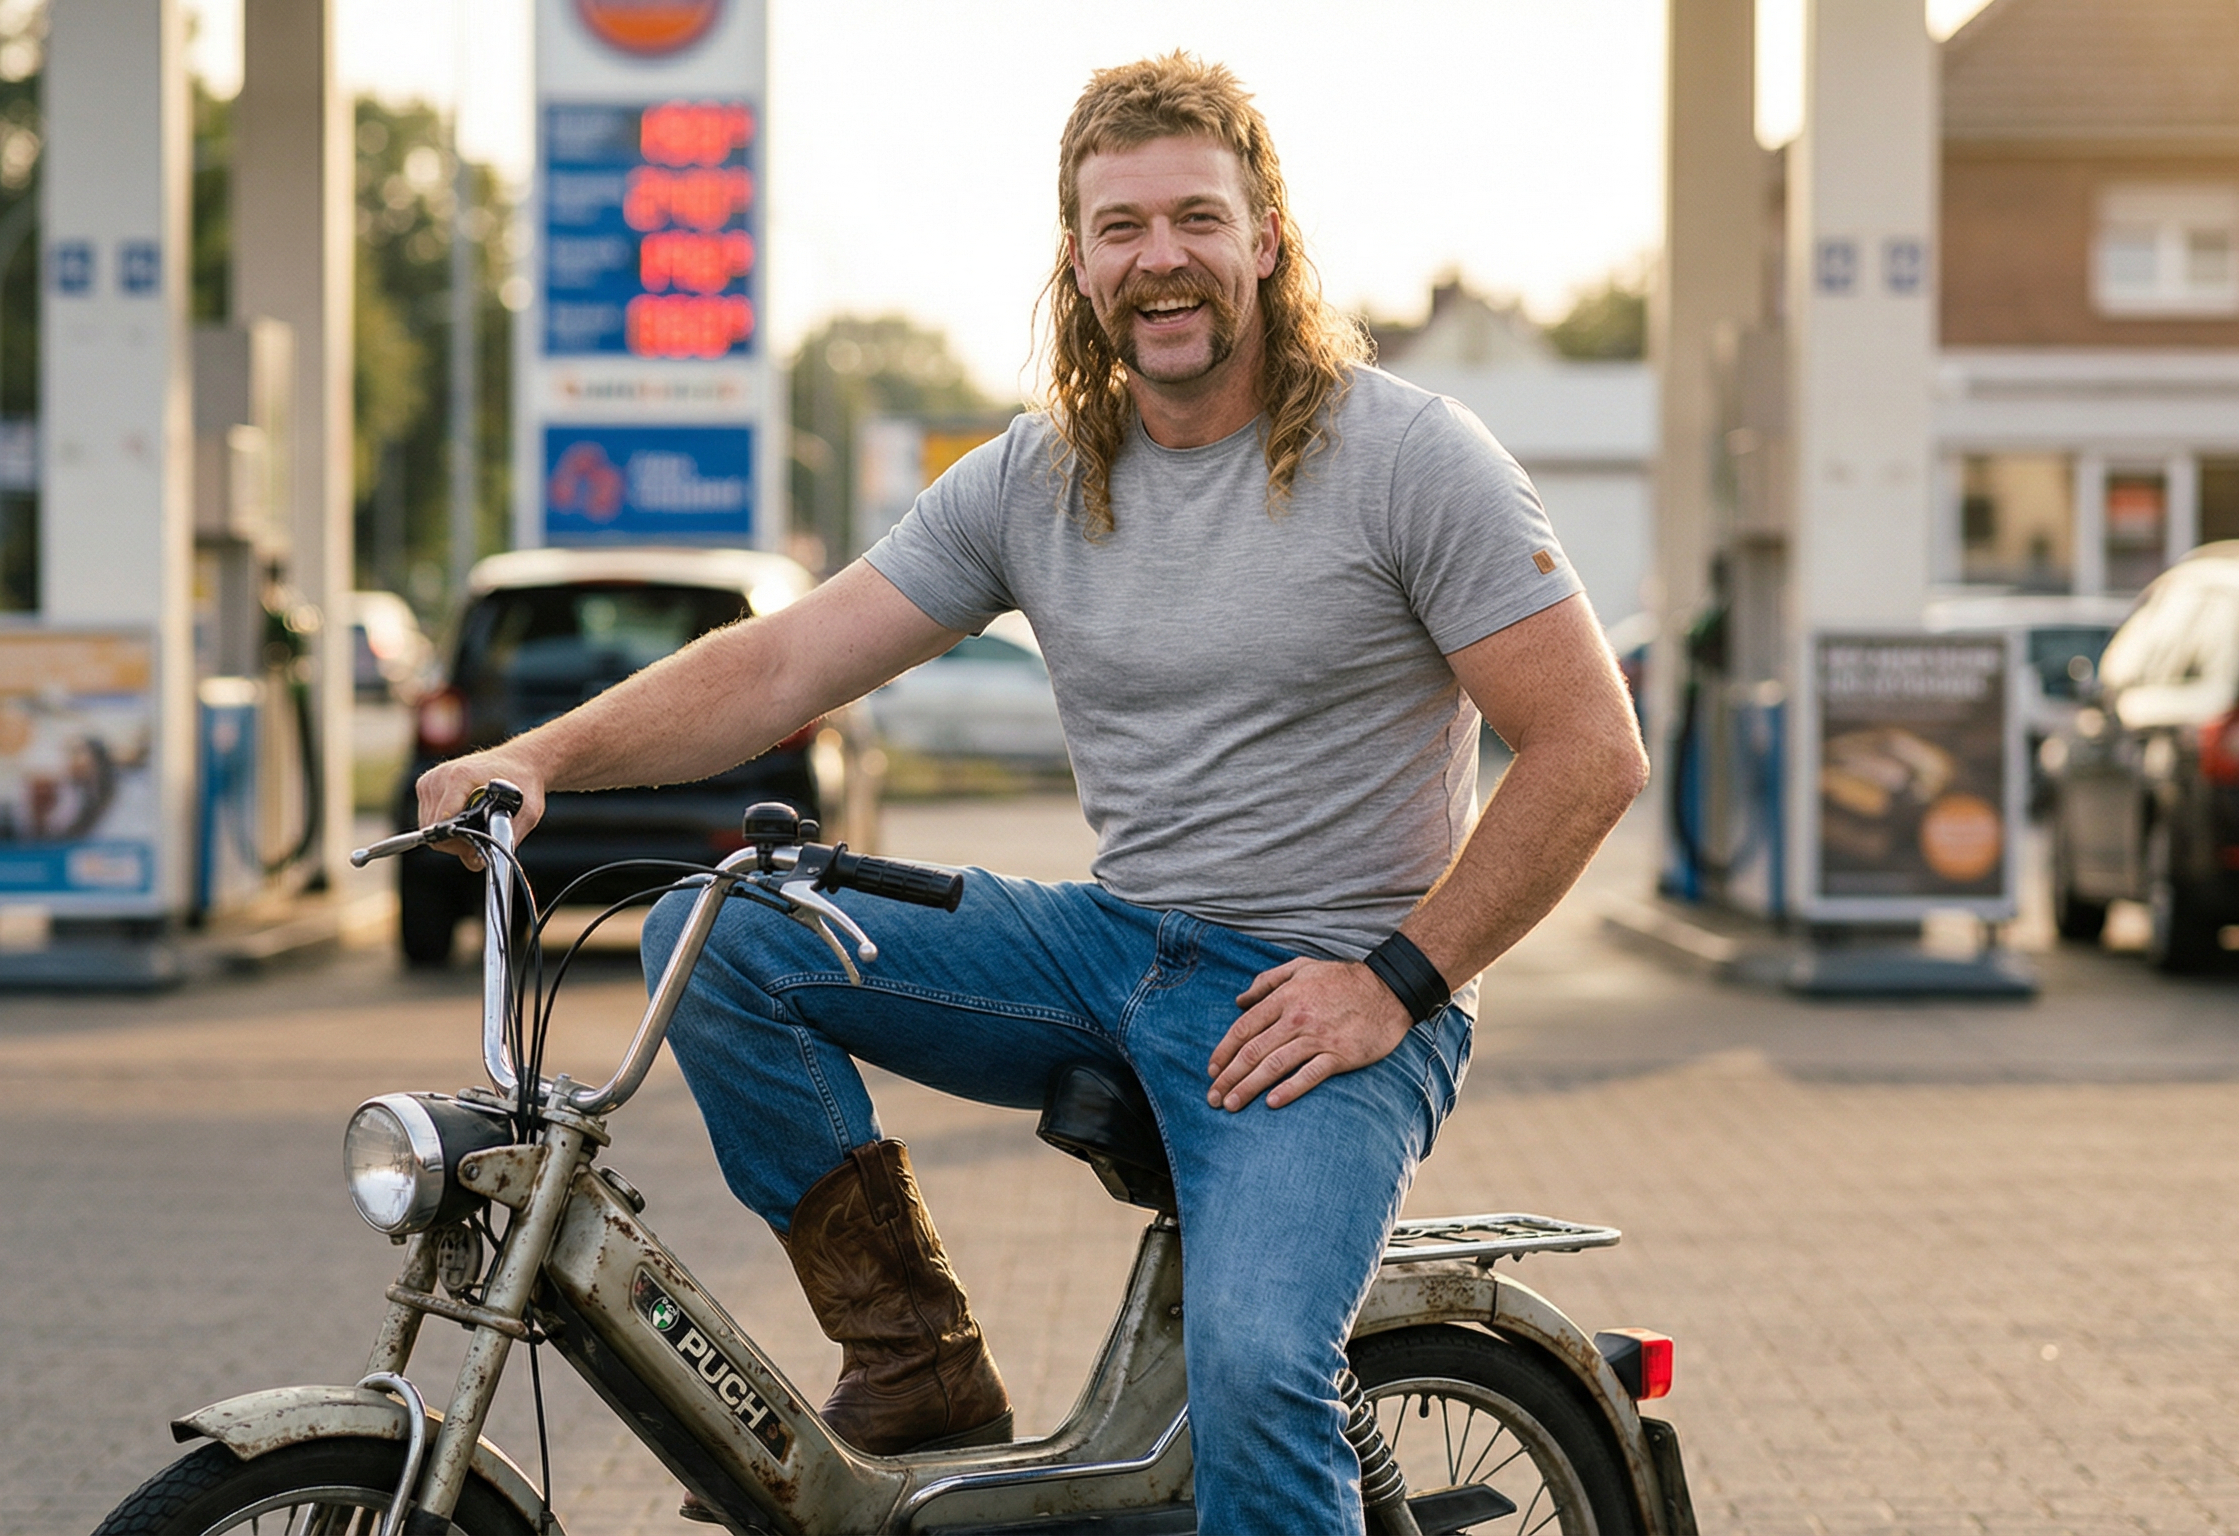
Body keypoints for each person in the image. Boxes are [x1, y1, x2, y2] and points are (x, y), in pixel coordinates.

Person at [415, 52, 1647, 1536]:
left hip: (1324, 991)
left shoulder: (1410, 461)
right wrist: (535, 755)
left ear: (1266, 238)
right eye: (1121, 227)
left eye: (1197, 217)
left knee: (1259, 1374)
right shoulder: (1041, 474)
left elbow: (1589, 749)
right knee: (725, 931)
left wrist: (1394, 981)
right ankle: (916, 1364)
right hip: (1110, 949)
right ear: (1078, 259)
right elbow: (787, 660)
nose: (1161, 258)